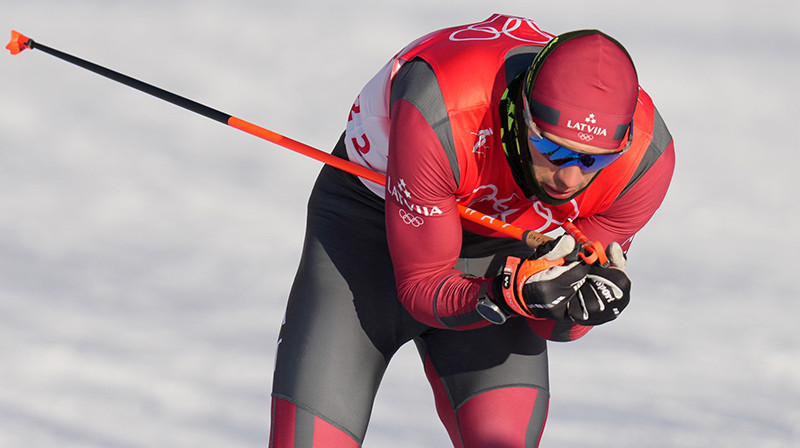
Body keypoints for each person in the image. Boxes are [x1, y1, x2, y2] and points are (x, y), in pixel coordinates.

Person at [269, 14, 674, 447]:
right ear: (519, 113)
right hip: (367, 231)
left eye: (595, 159)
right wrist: (500, 294)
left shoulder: (644, 163)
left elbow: (556, 328)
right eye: (552, 149)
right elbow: (421, 285)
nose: (570, 178)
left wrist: (583, 305)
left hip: (506, 250)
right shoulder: (444, 104)